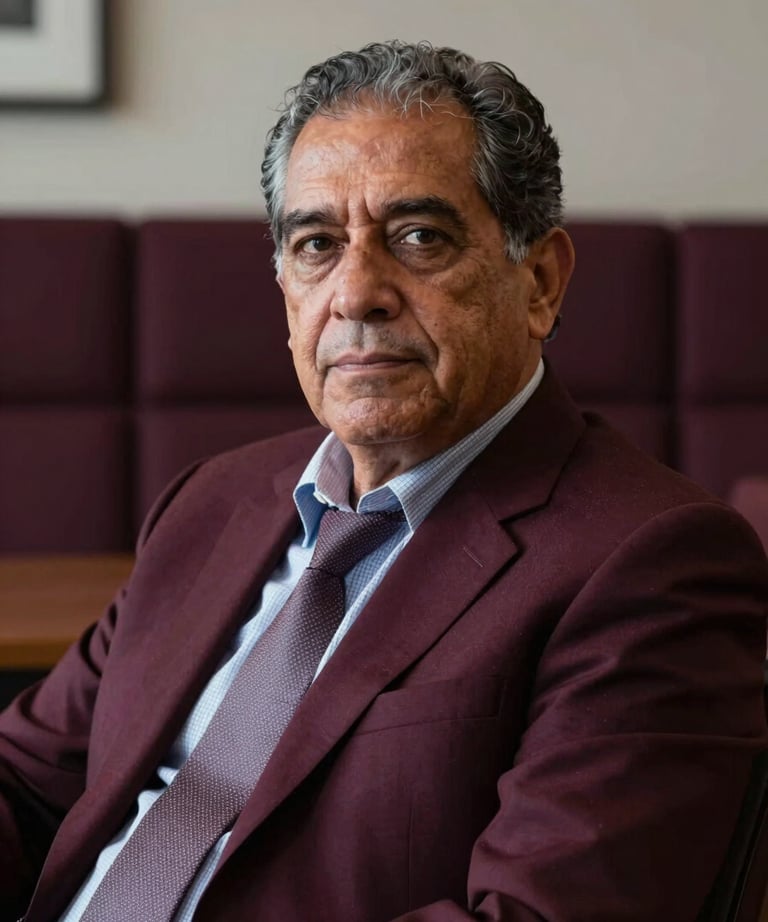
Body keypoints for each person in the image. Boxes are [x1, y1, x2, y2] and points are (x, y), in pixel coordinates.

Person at [1, 40, 767, 922]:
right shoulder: (210, 502)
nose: (357, 292)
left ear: (541, 282)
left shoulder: (653, 562)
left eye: (418, 237)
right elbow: (25, 780)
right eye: (318, 244)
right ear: (287, 286)